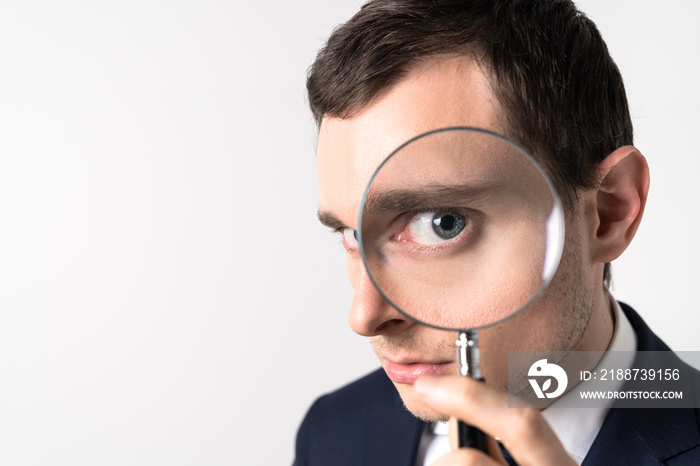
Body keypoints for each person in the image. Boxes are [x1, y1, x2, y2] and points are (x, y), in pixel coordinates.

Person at [294, 0, 700, 464]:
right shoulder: (332, 433)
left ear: (610, 211)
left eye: (442, 223)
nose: (363, 317)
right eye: (349, 233)